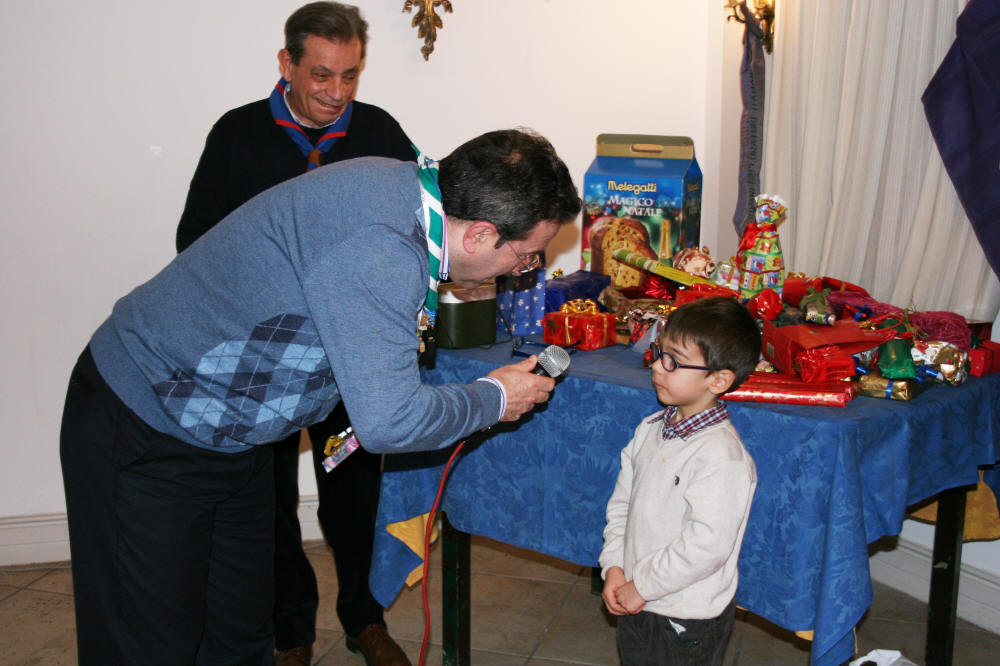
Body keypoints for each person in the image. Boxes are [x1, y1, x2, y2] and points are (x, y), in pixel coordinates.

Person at [60, 127, 582, 665]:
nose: (522, 271)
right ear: (479, 235)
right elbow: (389, 422)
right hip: (147, 419)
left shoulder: (405, 193)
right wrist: (494, 398)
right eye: (526, 257)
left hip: (231, 432)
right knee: (149, 643)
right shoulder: (381, 246)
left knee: (239, 633)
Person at [175, 4, 416, 664]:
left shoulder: (379, 132)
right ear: (287, 64)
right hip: (266, 357)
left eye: (350, 75)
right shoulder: (237, 135)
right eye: (321, 74)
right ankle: (291, 629)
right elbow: (194, 243)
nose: (336, 93)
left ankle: (364, 617)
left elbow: (419, 230)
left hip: (351, 359)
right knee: (270, 499)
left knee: (353, 491)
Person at [599, 297, 760, 666]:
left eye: (673, 361)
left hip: (685, 617)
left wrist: (643, 586)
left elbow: (706, 546)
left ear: (718, 380)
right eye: (660, 352)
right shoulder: (649, 430)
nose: (657, 366)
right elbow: (621, 508)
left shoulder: (722, 457)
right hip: (637, 596)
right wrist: (614, 567)